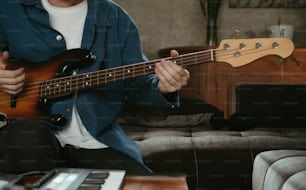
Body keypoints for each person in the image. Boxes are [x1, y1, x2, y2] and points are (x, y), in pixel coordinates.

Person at [0, 0, 190, 175]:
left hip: (98, 143)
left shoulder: (116, 18)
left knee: (145, 185)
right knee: (26, 137)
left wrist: (164, 86)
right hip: (30, 140)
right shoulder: (8, 10)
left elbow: (138, 84)